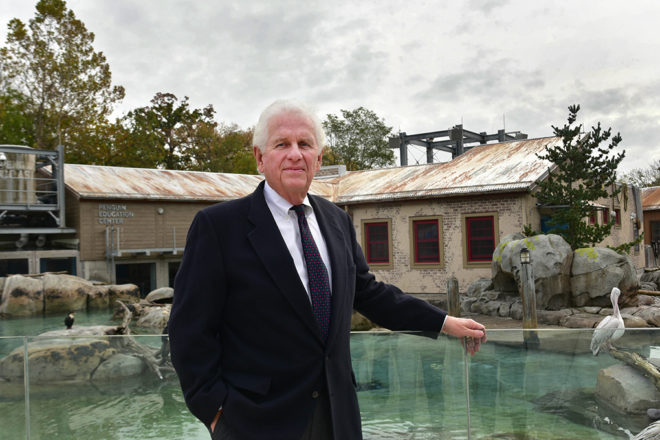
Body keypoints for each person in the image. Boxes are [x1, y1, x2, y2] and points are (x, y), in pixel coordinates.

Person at [168, 99, 487, 440]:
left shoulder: (336, 220)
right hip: (256, 422)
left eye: (305, 144)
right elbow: (189, 331)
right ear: (260, 158)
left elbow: (369, 293)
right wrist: (217, 414)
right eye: (282, 144)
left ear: (318, 159)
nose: (295, 154)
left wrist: (445, 322)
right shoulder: (218, 227)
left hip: (338, 417)